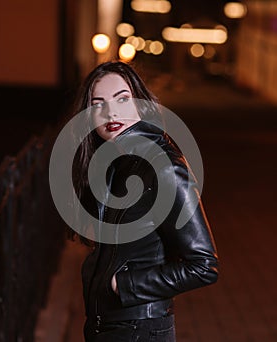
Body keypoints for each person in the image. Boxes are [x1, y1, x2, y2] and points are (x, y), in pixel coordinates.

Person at [70, 61, 218, 341]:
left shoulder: (164, 167)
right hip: (107, 326)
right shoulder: (116, 163)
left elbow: (204, 265)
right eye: (98, 103)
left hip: (140, 329)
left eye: (122, 99)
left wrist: (123, 284)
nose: (110, 112)